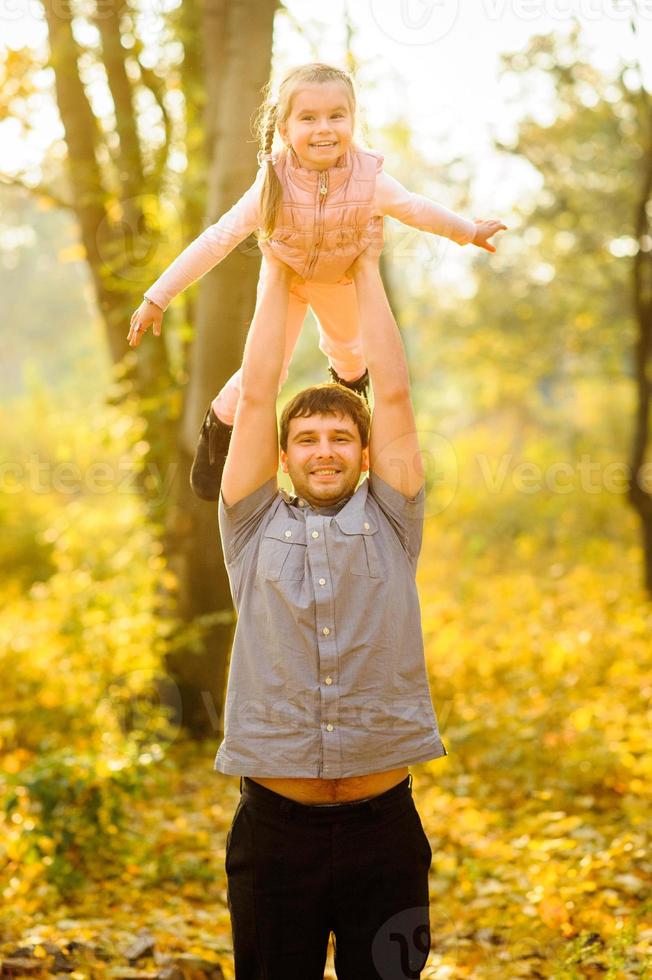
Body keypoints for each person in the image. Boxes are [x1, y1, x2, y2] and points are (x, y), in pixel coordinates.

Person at [213, 243, 445, 979]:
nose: (323, 450)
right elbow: (254, 397)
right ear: (281, 455)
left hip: (386, 831)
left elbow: (397, 395)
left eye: (341, 437)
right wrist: (277, 278)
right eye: (306, 439)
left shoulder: (394, 520)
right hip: (275, 834)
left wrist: (368, 266)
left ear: (366, 453)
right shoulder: (248, 525)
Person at [126, 62, 506, 499]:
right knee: (269, 367)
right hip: (285, 281)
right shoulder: (273, 180)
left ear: (352, 120)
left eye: (336, 116)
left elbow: (415, 207)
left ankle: (350, 413)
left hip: (339, 279)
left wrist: (467, 231)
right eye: (308, 118)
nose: (323, 129)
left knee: (348, 353)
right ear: (285, 129)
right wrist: (159, 296)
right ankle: (221, 421)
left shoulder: (369, 178)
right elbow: (219, 238)